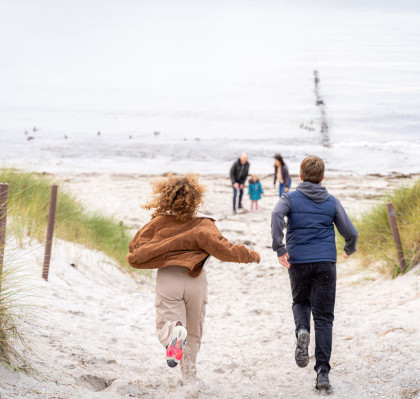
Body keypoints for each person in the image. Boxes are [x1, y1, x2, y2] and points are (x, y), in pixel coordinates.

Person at [127, 174, 260, 383]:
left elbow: (135, 248)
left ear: (166, 197)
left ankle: (174, 335)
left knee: (167, 323)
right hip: (195, 280)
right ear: (195, 199)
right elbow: (224, 248)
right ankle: (189, 377)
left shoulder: (158, 223)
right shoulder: (203, 224)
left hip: (168, 277)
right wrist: (249, 255)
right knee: (194, 331)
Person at [270, 155, 358, 392]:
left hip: (298, 261)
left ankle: (302, 330)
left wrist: (280, 248)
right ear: (322, 177)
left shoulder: (289, 198)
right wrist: (350, 248)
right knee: (324, 317)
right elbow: (350, 231)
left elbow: (277, 215)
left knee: (300, 301)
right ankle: (322, 373)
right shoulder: (331, 201)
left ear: (300, 176)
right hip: (325, 262)